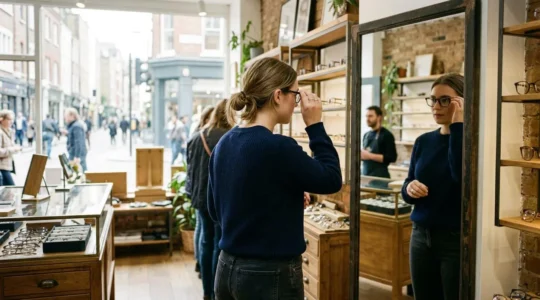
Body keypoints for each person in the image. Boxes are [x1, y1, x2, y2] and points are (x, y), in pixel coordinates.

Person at [208, 58, 342, 299]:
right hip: (268, 274)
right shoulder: (279, 147)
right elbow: (332, 179)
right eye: (295, 94)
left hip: (226, 268)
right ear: (278, 95)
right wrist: (315, 126)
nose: (296, 103)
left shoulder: (224, 143)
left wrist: (282, 201)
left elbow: (216, 209)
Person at [401, 73, 463, 300]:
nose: (436, 106)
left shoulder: (469, 141)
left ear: (462, 102)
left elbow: (459, 175)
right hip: (420, 236)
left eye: (445, 100)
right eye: (433, 99)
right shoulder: (423, 141)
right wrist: (409, 189)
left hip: (454, 240)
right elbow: (408, 183)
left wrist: (459, 126)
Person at [186, 100, 230, 300]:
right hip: (219, 199)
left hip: (200, 197)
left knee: (205, 241)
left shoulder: (196, 137)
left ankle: (206, 291)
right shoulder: (228, 137)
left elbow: (190, 169)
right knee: (218, 243)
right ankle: (215, 292)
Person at [186, 105, 215, 276]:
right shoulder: (207, 137)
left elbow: (190, 166)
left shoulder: (195, 137)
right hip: (204, 190)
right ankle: (201, 264)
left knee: (201, 229)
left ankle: (200, 263)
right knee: (206, 233)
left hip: (197, 189)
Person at [361, 106, 398, 178]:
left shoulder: (386, 135)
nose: (367, 119)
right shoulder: (366, 135)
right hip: (365, 175)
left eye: (370, 116)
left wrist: (369, 156)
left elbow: (392, 158)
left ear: (379, 117)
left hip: (380, 177)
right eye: (366, 116)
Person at [0, 110, 22, 185]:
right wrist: (13, 149)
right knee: (10, 190)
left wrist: (16, 147)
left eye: (12, 119)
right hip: (2, 167)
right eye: (9, 119)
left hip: (8, 166)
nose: (11, 121)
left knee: (7, 192)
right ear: (1, 119)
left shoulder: (10, 131)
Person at [64, 108, 88, 172]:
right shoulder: (74, 126)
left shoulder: (76, 126)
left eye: (66, 116)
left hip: (76, 154)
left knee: (78, 173)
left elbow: (78, 141)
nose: (65, 118)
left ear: (72, 116)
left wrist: (77, 156)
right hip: (75, 153)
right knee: (77, 173)